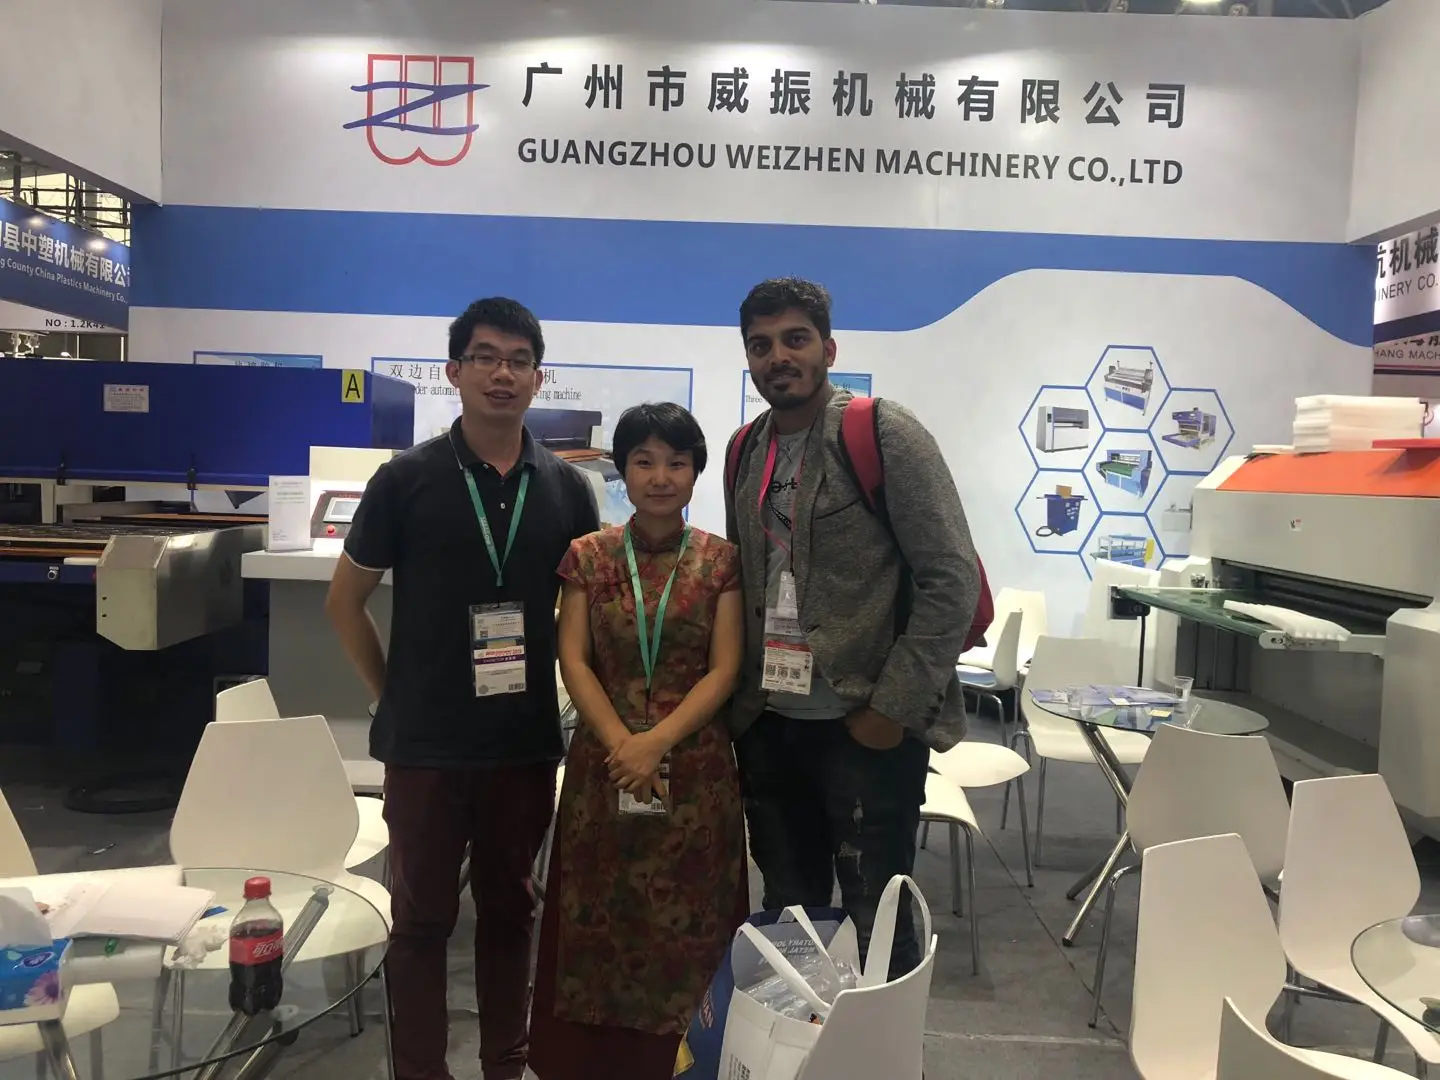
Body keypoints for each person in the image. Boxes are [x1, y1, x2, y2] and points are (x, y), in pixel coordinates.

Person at [325, 297, 599, 1080]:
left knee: (512, 911)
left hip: (522, 745)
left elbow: (583, 620)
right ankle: (421, 1070)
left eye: (518, 360)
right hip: (425, 748)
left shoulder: (568, 490)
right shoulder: (406, 479)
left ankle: (504, 1064)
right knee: (421, 919)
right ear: (454, 371)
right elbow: (344, 602)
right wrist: (394, 694)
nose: (501, 373)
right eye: (484, 357)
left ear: (538, 378)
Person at [724, 277, 982, 980]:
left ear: (829, 349)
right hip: (771, 726)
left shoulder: (881, 433)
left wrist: (893, 709)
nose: (778, 357)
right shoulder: (745, 449)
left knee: (878, 924)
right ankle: (801, 1041)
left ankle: (880, 1040)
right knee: (791, 922)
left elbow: (951, 578)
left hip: (863, 727)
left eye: (795, 340)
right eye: (761, 345)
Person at [530, 402, 748, 1080]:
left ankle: (691, 1059)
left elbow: (725, 669)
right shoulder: (588, 557)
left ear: (695, 472)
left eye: (676, 463)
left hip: (695, 773)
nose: (660, 477)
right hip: (605, 765)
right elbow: (574, 659)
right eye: (644, 461)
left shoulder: (720, 560)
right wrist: (623, 742)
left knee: (692, 921)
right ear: (622, 470)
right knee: (600, 917)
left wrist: (655, 742)